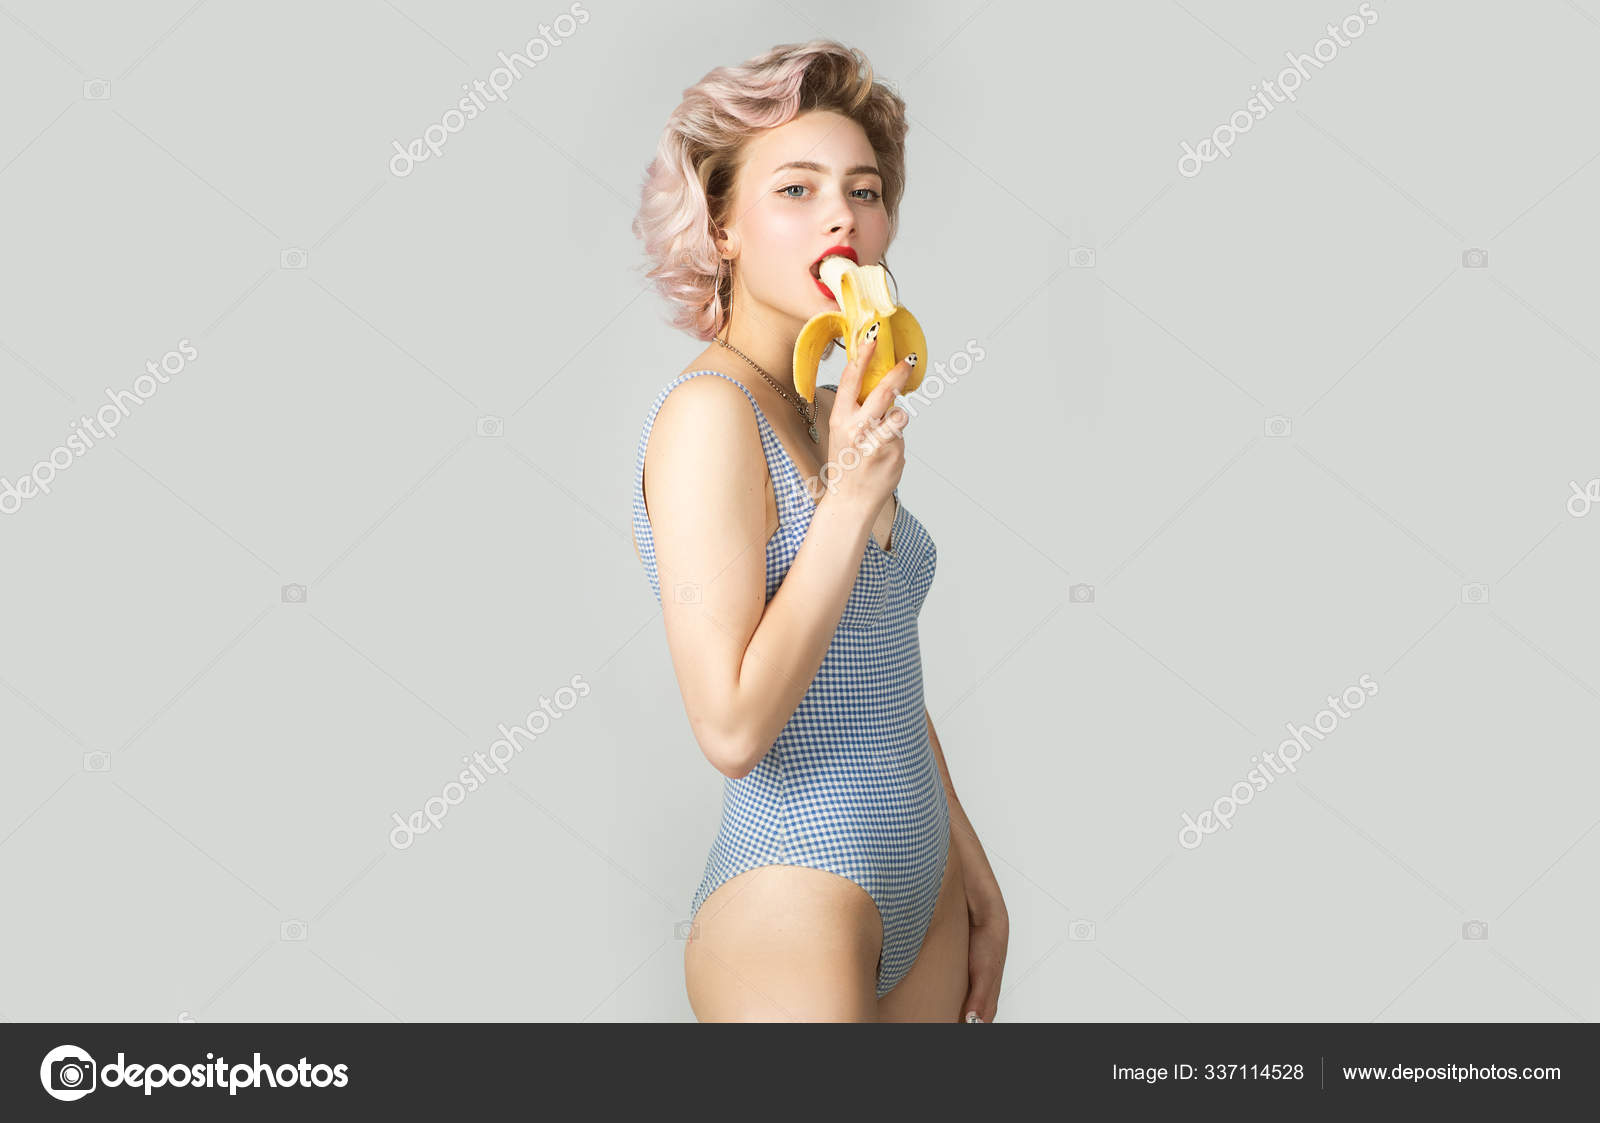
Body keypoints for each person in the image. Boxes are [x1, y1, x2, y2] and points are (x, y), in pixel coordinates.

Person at [629, 39, 1007, 1022]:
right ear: (721, 227)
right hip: (795, 896)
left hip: (924, 891)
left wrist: (971, 868)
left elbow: (875, 662)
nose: (843, 213)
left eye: (865, 189)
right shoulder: (709, 417)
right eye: (795, 189)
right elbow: (731, 726)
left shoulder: (823, 405)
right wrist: (843, 507)